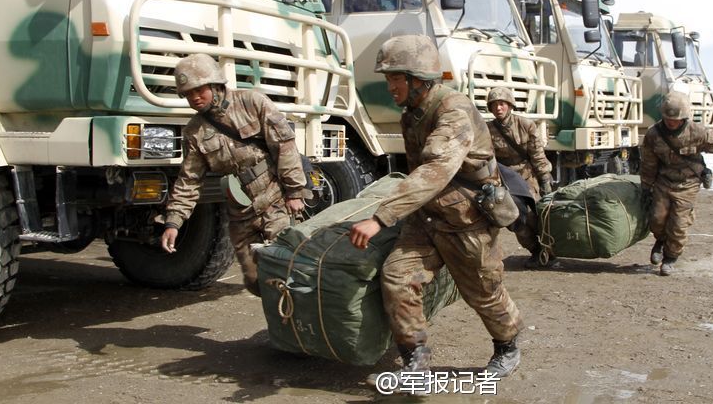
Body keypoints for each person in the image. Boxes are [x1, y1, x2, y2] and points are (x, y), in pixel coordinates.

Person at [349, 35, 524, 382]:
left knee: (483, 293)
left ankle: (508, 344)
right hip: (427, 219)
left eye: (394, 78)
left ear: (417, 78)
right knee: (397, 277)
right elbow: (418, 171)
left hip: (466, 220)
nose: (389, 87)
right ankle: (415, 356)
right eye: (388, 79)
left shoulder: (453, 111)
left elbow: (435, 170)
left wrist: (381, 218)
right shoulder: (412, 113)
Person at [160, 53, 312, 295]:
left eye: (199, 90)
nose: (194, 97)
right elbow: (189, 180)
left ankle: (294, 327)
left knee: (287, 269)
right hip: (241, 211)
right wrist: (174, 222)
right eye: (188, 93)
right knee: (254, 280)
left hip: (275, 199)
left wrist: (295, 192)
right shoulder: (195, 131)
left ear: (215, 84)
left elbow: (285, 146)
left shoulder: (252, 102)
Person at [640, 91, 713, 276]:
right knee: (657, 219)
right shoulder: (654, 134)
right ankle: (660, 241)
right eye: (667, 118)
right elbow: (648, 162)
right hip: (664, 181)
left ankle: (670, 258)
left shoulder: (697, 132)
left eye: (675, 119)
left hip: (688, 184)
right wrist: (646, 186)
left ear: (684, 118)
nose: (671, 122)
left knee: (678, 225)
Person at [486, 86, 554, 267]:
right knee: (515, 218)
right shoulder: (487, 130)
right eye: (494, 105)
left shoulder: (526, 125)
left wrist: (545, 180)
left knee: (537, 214)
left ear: (509, 105)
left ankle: (549, 250)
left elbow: (537, 155)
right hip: (505, 180)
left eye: (501, 104)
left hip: (527, 176)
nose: (498, 108)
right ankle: (535, 251)